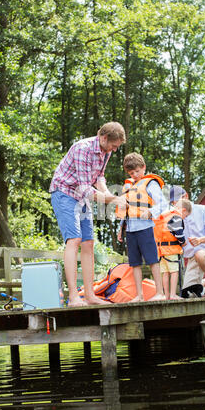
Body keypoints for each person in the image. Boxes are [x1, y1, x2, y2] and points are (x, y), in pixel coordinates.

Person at [49, 122, 127, 307]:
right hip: (64, 192)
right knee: (74, 240)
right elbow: (86, 189)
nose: (114, 151)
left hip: (81, 196)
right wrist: (113, 201)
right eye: (114, 145)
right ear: (104, 137)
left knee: (88, 243)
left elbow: (99, 178)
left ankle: (90, 295)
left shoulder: (105, 152)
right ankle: (74, 297)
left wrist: (109, 194)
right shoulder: (82, 149)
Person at [117, 152, 168, 302]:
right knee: (135, 263)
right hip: (131, 230)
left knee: (152, 260)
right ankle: (139, 295)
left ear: (143, 167)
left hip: (145, 228)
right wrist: (121, 228)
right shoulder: (128, 186)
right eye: (132, 173)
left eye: (137, 171)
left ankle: (160, 293)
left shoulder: (150, 183)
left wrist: (151, 212)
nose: (135, 175)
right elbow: (126, 209)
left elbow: (163, 204)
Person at [176, 186, 205, 297]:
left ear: (186, 196)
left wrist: (201, 240)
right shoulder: (175, 217)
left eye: (178, 201)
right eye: (173, 203)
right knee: (188, 295)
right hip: (192, 259)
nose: (176, 205)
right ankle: (203, 283)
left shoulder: (202, 209)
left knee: (199, 254)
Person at [154, 189, 192, 300]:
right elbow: (178, 233)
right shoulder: (176, 217)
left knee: (165, 273)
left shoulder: (166, 215)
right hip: (171, 250)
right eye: (186, 216)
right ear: (183, 210)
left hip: (161, 250)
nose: (185, 218)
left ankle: (166, 296)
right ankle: (173, 294)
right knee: (174, 272)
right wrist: (183, 242)